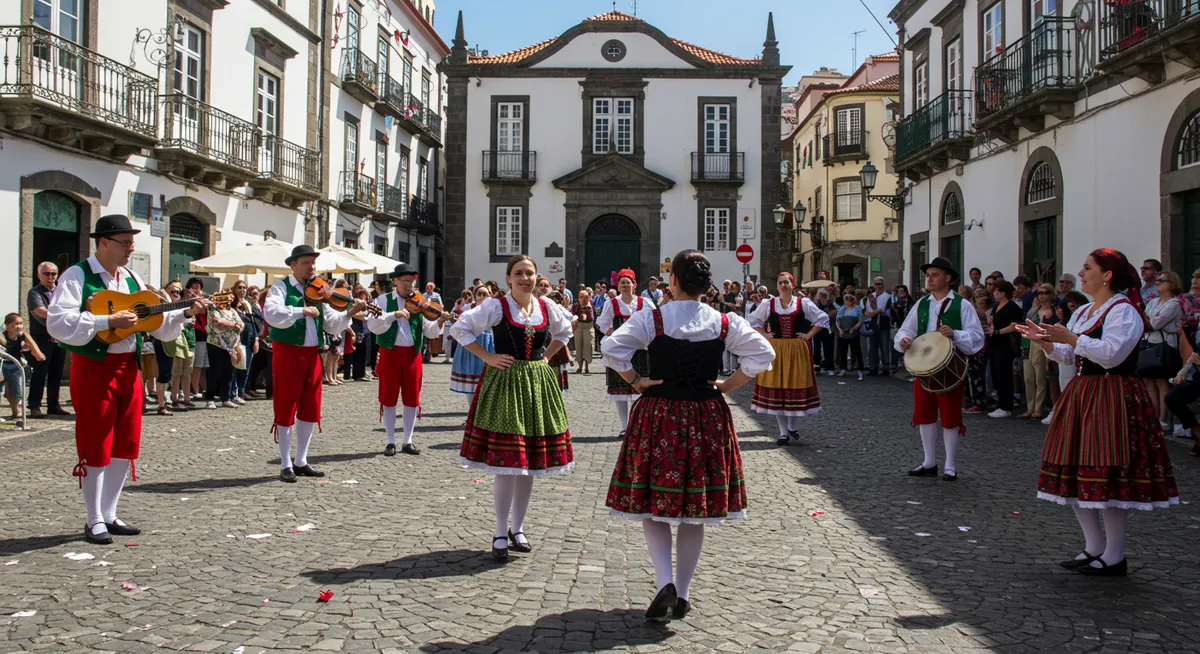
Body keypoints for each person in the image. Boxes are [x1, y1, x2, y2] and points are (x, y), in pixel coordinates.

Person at [603, 249, 774, 620]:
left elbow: (611, 347)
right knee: (695, 509)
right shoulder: (724, 321)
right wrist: (728, 386)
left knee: (654, 502)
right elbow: (763, 354)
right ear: (707, 285)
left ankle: (665, 581)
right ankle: (682, 592)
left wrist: (636, 380)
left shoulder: (653, 317)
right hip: (706, 416)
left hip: (659, 413)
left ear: (674, 282)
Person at [47, 215, 210, 544]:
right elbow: (57, 322)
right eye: (126, 242)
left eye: (132, 242)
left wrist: (185, 313)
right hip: (94, 367)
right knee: (97, 441)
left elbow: (156, 324)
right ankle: (93, 518)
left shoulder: (133, 278)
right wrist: (105, 318)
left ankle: (110, 512)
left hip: (128, 367)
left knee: (126, 442)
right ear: (104, 242)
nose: (131, 247)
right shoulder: (78, 275)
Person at [1018, 248, 1179, 576]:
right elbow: (1068, 355)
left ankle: (1115, 553)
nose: (1081, 273)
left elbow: (1112, 355)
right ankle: (1093, 546)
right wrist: (1047, 343)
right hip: (1082, 393)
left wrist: (1071, 338)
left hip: (1113, 394)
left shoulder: (1124, 311)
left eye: (1088, 267)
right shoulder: (1087, 311)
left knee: (1107, 470)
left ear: (1107, 275)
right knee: (1074, 468)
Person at [452, 255, 574, 562]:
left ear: (536, 276)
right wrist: (488, 356)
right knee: (508, 463)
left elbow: (564, 333)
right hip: (505, 384)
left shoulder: (546, 307)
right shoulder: (496, 306)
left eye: (529, 273)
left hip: (537, 384)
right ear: (508, 278)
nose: (525, 278)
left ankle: (518, 528)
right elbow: (460, 329)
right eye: (518, 273)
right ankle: (498, 530)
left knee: (529, 463)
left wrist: (547, 357)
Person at [265, 245, 368, 482]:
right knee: (286, 406)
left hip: (312, 354)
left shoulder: (320, 291)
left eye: (313, 263)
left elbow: (331, 323)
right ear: (293, 265)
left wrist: (349, 312)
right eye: (306, 263)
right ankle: (285, 463)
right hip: (288, 354)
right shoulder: (281, 288)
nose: (312, 267)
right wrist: (301, 310)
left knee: (311, 407)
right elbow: (272, 313)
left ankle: (301, 460)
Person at [895, 257, 985, 482]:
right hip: (923, 368)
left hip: (950, 367)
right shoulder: (922, 303)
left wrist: (955, 333)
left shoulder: (963, 304)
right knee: (924, 414)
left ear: (948, 278)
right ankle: (929, 462)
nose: (930, 279)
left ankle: (950, 465)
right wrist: (904, 340)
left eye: (935, 275)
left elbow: (977, 337)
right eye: (928, 275)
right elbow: (906, 329)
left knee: (950, 416)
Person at [366, 263, 446, 456]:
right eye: (405, 281)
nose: (409, 285)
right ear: (395, 281)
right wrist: (394, 315)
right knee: (389, 397)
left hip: (412, 355)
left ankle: (408, 440)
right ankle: (390, 441)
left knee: (412, 398)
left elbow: (429, 330)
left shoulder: (420, 302)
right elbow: (372, 325)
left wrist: (440, 321)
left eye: (412, 281)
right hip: (390, 354)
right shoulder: (383, 301)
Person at [749, 272, 829, 445]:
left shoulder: (803, 303)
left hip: (797, 350)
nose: (783, 286)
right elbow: (753, 321)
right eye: (780, 283)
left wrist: (809, 335)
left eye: (786, 282)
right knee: (779, 389)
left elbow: (822, 318)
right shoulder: (768, 304)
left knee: (795, 387)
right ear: (776, 286)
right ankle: (783, 433)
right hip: (776, 349)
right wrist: (765, 334)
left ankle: (792, 426)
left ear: (792, 285)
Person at [597, 269, 656, 437]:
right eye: (622, 282)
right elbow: (602, 322)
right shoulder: (612, 303)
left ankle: (639, 426)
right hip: (620, 350)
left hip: (639, 350)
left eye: (628, 282)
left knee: (640, 388)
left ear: (634, 285)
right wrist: (611, 332)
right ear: (618, 285)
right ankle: (625, 427)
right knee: (620, 391)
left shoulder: (644, 302)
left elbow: (654, 319)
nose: (624, 285)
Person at [26, 262, 69, 417]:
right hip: (42, 339)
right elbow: (40, 311)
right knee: (40, 373)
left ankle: (53, 405)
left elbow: (72, 307)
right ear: (39, 275)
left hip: (59, 337)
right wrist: (64, 314)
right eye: (47, 274)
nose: (51, 277)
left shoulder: (61, 291)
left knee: (56, 373)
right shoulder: (34, 292)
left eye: (54, 274)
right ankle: (34, 406)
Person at [1143, 271, 1183, 431]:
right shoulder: (1153, 302)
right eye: (1157, 280)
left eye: (1162, 280)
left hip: (1164, 345)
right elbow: (1145, 320)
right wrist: (1148, 320)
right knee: (1149, 380)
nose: (1157, 282)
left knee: (1162, 381)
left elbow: (1154, 323)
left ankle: (1163, 419)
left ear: (1171, 284)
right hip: (1149, 343)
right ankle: (1154, 416)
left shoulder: (1174, 304)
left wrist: (1148, 320)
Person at [450, 285, 495, 405]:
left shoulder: (495, 311)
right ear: (474, 296)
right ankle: (471, 413)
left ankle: (482, 415)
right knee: (470, 380)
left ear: (489, 296)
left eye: (485, 294)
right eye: (479, 294)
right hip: (470, 346)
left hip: (488, 344)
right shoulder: (468, 310)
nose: (482, 297)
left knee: (487, 381)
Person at [986, 280, 1024, 418]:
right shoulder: (997, 306)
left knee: (1004, 374)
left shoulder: (1012, 307)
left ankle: (1006, 406)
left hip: (1005, 344)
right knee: (996, 373)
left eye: (997, 291)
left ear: (1003, 293)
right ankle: (1000, 403)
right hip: (994, 343)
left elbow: (1014, 325)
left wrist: (997, 332)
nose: (994, 293)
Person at [1020, 284, 1059, 420]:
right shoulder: (1033, 311)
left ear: (1051, 294)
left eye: (1045, 292)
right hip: (1029, 344)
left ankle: (1038, 409)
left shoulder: (1055, 312)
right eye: (1039, 293)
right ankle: (1030, 408)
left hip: (1044, 344)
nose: (1042, 295)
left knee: (1040, 378)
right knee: (1028, 378)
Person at [1, 313, 45, 427]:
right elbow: (6, 346)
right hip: (2, 366)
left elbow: (33, 344)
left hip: (16, 366)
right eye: (15, 324)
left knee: (18, 391)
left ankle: (17, 412)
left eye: (21, 323)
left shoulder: (23, 335)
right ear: (7, 325)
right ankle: (9, 398)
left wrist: (38, 354)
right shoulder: (2, 336)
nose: (19, 326)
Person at [864, 277, 893, 375]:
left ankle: (886, 368)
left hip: (884, 324)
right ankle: (873, 367)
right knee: (872, 347)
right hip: (873, 323)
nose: (878, 286)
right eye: (876, 284)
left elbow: (885, 311)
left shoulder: (888, 296)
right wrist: (876, 310)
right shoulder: (870, 296)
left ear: (883, 285)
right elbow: (868, 312)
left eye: (880, 284)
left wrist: (875, 310)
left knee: (884, 346)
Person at [186, 277, 208, 401]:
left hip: (202, 334)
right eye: (193, 286)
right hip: (191, 334)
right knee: (191, 366)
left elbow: (204, 311)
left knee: (199, 365)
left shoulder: (203, 300)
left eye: (198, 287)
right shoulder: (186, 301)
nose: (196, 289)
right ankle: (192, 390)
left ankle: (197, 389)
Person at [836, 293, 864, 380]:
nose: (847, 302)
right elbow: (837, 320)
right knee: (842, 352)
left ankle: (860, 370)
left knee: (857, 352)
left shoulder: (857, 308)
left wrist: (854, 328)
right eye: (845, 300)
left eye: (848, 300)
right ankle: (843, 369)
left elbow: (860, 320)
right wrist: (839, 329)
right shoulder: (842, 308)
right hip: (843, 333)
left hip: (854, 332)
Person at [812, 289, 836, 375]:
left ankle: (829, 367)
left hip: (827, 329)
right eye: (820, 295)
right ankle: (816, 367)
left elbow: (835, 312)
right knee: (816, 348)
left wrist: (829, 314)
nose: (822, 297)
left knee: (828, 348)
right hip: (817, 329)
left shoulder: (830, 304)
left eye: (824, 295)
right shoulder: (815, 304)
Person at [571, 289, 595, 374]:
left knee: (588, 345)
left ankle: (587, 366)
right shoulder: (575, 305)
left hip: (588, 326)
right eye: (581, 297)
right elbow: (573, 316)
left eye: (586, 297)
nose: (583, 299)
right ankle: (580, 366)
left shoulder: (591, 305)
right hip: (578, 326)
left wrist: (587, 310)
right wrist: (579, 315)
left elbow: (592, 317)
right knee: (578, 346)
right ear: (578, 298)